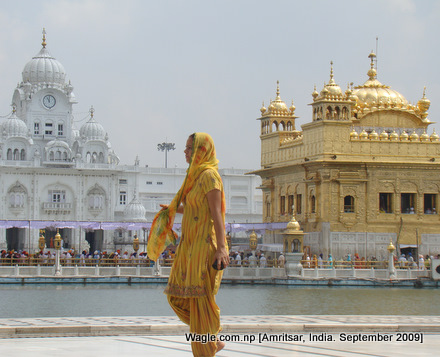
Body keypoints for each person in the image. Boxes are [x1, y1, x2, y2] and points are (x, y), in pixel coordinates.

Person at [147, 133, 229, 356]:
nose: (185, 152)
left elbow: (216, 214)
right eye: (186, 148)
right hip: (189, 245)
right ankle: (211, 334)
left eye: (190, 148)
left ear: (202, 151)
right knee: (177, 296)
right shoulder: (193, 176)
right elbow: (196, 207)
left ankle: (207, 345)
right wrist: (174, 209)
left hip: (204, 245)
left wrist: (221, 248)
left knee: (199, 299)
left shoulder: (210, 176)